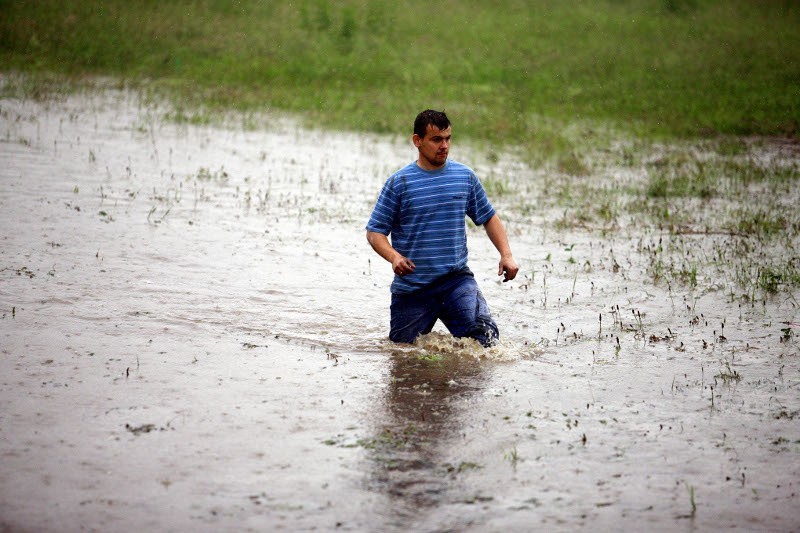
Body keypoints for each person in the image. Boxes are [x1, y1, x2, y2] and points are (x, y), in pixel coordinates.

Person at [365, 109, 519, 347]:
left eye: (447, 138)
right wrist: (394, 257)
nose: (444, 145)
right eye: (436, 139)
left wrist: (506, 255)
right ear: (417, 141)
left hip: (456, 282)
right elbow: (375, 232)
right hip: (413, 288)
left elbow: (489, 217)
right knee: (402, 354)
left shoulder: (464, 177)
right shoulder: (399, 183)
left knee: (485, 340)